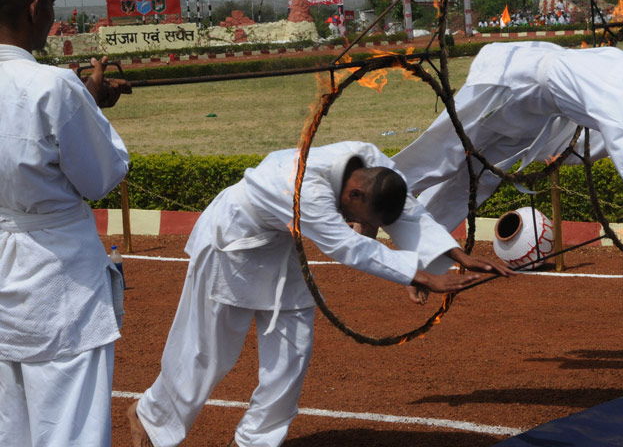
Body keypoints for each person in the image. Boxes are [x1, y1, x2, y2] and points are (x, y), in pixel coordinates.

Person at [128, 141, 513, 447]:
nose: (365, 226)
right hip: (232, 242)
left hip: (280, 245)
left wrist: (455, 253)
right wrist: (425, 278)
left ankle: (254, 442)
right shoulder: (303, 190)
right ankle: (152, 417)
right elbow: (351, 247)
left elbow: (408, 211)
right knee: (207, 352)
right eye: (365, 220)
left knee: (294, 348)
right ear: (355, 195)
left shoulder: (372, 161)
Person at [392, 41, 623, 255]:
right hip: (511, 81)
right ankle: (377, 194)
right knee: (442, 151)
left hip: (544, 113)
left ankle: (419, 249)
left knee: (478, 178)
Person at [0, 0, 131, 446]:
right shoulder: (55, 85)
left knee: (11, 427)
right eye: (52, 5)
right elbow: (101, 175)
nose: (53, 15)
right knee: (71, 428)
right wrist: (86, 102)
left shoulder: (60, 86)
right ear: (35, 8)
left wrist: (85, 100)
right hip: (60, 285)